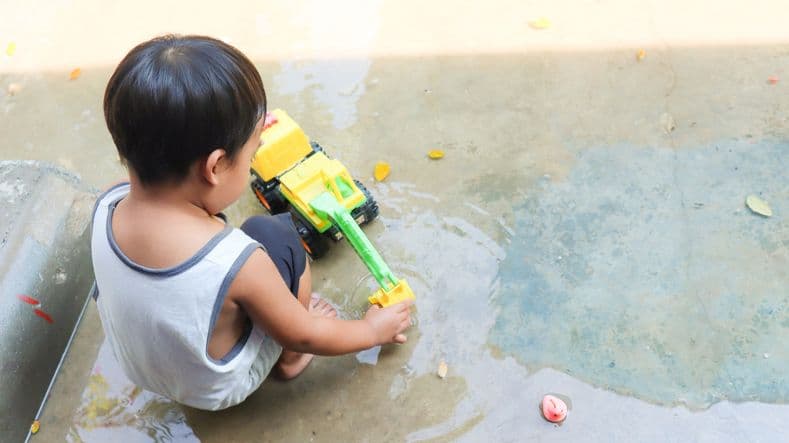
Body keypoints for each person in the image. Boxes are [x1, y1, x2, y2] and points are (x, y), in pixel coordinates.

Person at [91, 34, 412, 411]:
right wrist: (371, 331)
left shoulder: (107, 203)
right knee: (276, 234)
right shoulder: (240, 262)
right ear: (215, 166)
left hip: (144, 367)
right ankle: (288, 361)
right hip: (215, 388)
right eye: (252, 152)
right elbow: (305, 333)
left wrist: (248, 130)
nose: (254, 157)